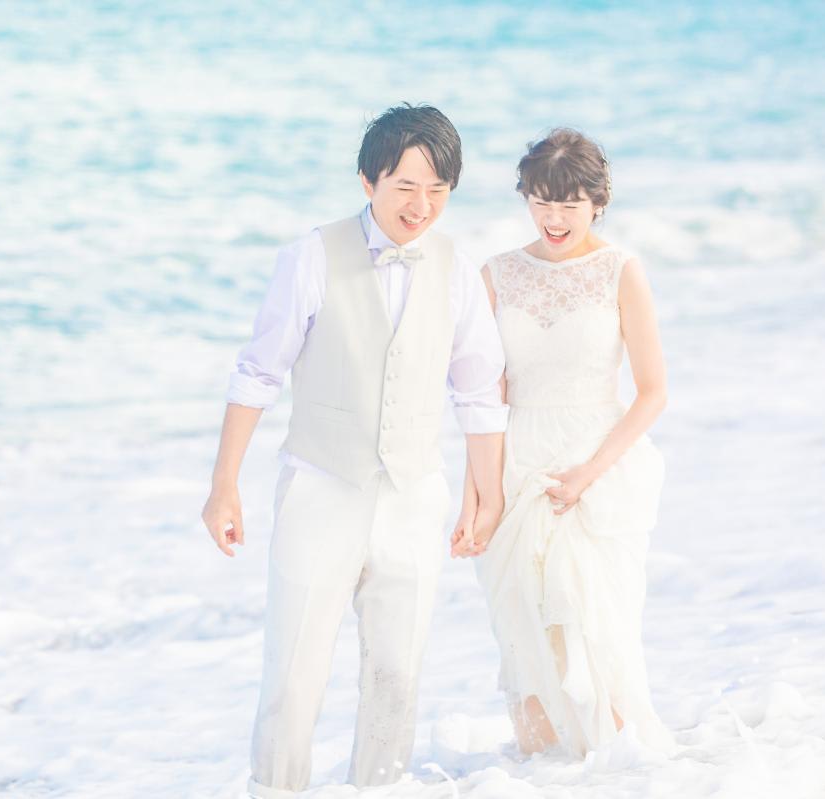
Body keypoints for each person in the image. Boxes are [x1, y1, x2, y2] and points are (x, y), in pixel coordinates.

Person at [200, 104, 509, 797]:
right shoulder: (310, 257)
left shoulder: (457, 270)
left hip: (413, 496)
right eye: (406, 187)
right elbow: (258, 374)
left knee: (397, 677)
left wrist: (485, 495)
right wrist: (224, 484)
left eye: (438, 190)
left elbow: (479, 390)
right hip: (321, 487)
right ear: (368, 181)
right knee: (292, 677)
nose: (421, 206)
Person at [463, 128, 676, 756]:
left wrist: (588, 473)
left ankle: (621, 776)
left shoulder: (620, 271)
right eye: (541, 202)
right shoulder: (496, 274)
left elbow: (653, 392)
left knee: (596, 630)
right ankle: (537, 779)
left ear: (597, 202)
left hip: (597, 465)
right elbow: (484, 400)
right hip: (517, 463)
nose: (554, 218)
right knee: (524, 634)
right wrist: (476, 499)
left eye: (569, 204)